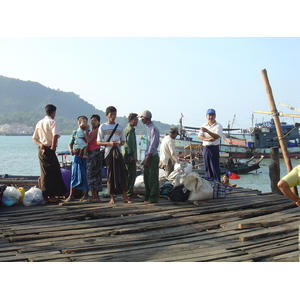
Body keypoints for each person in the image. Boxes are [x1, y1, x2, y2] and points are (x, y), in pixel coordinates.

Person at [32, 104, 67, 203]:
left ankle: (46, 196)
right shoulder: (52, 122)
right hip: (49, 149)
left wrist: (40, 145)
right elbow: (55, 134)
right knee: (54, 172)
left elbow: (34, 138)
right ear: (53, 112)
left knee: (45, 173)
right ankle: (52, 195)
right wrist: (53, 146)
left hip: (42, 149)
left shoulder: (39, 123)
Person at [97, 106, 131, 204]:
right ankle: (112, 197)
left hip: (118, 152)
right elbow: (98, 142)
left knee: (122, 173)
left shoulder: (120, 127)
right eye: (111, 115)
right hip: (108, 152)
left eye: (114, 114)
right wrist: (109, 144)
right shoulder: (103, 127)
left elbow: (124, 141)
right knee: (111, 174)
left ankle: (125, 196)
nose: (113, 117)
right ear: (107, 115)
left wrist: (120, 143)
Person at [64, 116, 89, 202]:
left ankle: (86, 194)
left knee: (85, 175)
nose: (84, 123)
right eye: (82, 121)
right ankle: (71, 195)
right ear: (78, 123)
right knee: (74, 175)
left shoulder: (87, 131)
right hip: (76, 156)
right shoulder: (75, 132)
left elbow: (88, 141)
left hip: (84, 156)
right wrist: (71, 150)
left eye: (86, 121)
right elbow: (70, 143)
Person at [139, 110, 160, 203]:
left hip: (152, 156)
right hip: (148, 156)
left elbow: (152, 146)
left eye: (142, 117)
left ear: (146, 118)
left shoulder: (153, 129)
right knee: (146, 178)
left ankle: (153, 197)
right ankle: (147, 196)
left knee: (152, 178)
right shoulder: (149, 129)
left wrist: (147, 159)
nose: (141, 119)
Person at [198, 108, 223, 181]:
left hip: (214, 147)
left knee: (214, 167)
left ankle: (217, 183)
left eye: (212, 115)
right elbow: (200, 136)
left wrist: (207, 131)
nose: (210, 117)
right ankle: (209, 183)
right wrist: (207, 139)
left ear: (215, 116)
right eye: (209, 115)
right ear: (206, 116)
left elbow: (216, 136)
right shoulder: (204, 125)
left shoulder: (218, 126)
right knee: (207, 166)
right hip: (206, 147)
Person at [85, 114, 102, 202]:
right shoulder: (92, 130)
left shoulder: (96, 130)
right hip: (92, 152)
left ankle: (95, 195)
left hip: (94, 152)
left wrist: (84, 131)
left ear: (99, 122)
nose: (93, 122)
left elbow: (89, 140)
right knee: (94, 174)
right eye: (92, 120)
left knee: (92, 173)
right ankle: (94, 195)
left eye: (95, 120)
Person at [123, 113, 138, 199]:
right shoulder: (130, 130)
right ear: (130, 120)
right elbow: (129, 144)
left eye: (137, 120)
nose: (137, 122)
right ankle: (129, 193)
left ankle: (127, 192)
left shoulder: (127, 129)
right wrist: (132, 155)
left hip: (126, 155)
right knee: (131, 175)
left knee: (127, 174)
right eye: (135, 120)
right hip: (129, 156)